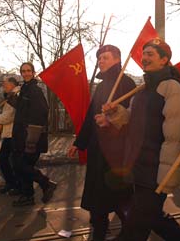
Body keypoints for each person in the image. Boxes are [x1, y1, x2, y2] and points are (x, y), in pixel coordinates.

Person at [102, 38, 180, 241]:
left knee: (137, 222)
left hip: (156, 168)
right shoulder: (143, 88)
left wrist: (167, 175)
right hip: (139, 164)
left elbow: (175, 135)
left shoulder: (171, 88)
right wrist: (114, 112)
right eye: (144, 54)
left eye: (150, 54)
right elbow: (131, 120)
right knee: (151, 218)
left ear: (164, 60)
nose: (144, 58)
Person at [67, 45, 136, 241]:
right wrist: (79, 143)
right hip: (99, 150)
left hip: (117, 153)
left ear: (117, 59)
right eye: (99, 58)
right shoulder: (102, 85)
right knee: (99, 198)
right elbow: (91, 116)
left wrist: (111, 121)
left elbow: (135, 118)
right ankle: (100, 229)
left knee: (118, 198)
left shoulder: (127, 83)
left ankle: (129, 231)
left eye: (105, 57)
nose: (101, 61)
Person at [10, 62, 56, 207]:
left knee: (20, 164)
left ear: (33, 72)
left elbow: (42, 112)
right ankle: (27, 196)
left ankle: (46, 183)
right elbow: (23, 109)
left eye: (29, 71)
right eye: (23, 71)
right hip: (21, 135)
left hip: (30, 137)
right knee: (22, 165)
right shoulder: (25, 89)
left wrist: (32, 139)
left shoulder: (35, 90)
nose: (26, 73)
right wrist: (11, 97)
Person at [0, 77, 21, 195]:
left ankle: (13, 183)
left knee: (4, 158)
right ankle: (11, 183)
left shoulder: (14, 96)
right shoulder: (11, 95)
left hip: (12, 133)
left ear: (12, 84)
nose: (3, 85)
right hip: (9, 132)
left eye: (5, 83)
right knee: (7, 159)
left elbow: (9, 116)